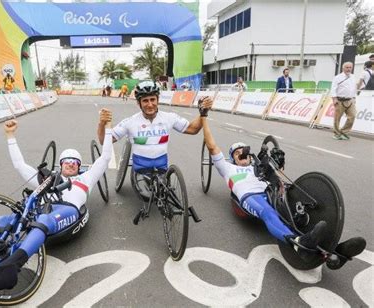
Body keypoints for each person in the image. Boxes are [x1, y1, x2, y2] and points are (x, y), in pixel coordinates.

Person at [0, 112, 113, 293]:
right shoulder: (46, 180)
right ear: (60, 164)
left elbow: (105, 158)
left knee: (45, 220)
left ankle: (11, 267)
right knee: (3, 221)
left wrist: (107, 127)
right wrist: (10, 136)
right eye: (66, 161)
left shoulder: (86, 178)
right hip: (41, 214)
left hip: (68, 213)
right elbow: (20, 165)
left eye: (75, 162)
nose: (71, 164)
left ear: (79, 166)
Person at [199, 98, 365, 268]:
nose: (242, 155)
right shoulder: (227, 168)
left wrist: (277, 159)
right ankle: (298, 243)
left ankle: (336, 251)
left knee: (298, 209)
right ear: (232, 159)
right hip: (251, 196)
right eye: (237, 153)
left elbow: (278, 171)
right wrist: (204, 116)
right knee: (268, 213)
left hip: (272, 190)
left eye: (245, 152)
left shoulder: (259, 165)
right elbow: (212, 146)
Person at [97, 81, 212, 190]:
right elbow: (103, 141)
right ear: (139, 103)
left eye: (153, 99)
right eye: (145, 101)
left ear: (158, 100)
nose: (150, 104)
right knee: (147, 197)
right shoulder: (130, 122)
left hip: (161, 167)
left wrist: (203, 113)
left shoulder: (169, 117)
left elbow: (193, 129)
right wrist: (102, 124)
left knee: (163, 193)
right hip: (141, 169)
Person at [330, 62, 357, 140]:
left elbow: (353, 88)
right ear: (343, 68)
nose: (348, 69)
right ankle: (336, 133)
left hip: (350, 100)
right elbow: (333, 89)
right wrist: (334, 99)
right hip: (340, 100)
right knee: (337, 118)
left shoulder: (353, 77)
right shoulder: (337, 77)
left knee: (352, 116)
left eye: (350, 67)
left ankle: (344, 132)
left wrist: (354, 98)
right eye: (347, 67)